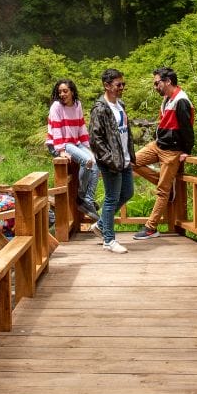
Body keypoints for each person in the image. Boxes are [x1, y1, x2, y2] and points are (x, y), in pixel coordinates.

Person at [132, 66, 195, 241]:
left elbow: (187, 128)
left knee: (161, 191)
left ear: (167, 81)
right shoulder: (168, 98)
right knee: (131, 161)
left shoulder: (181, 100)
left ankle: (151, 227)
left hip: (172, 151)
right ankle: (168, 187)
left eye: (157, 83)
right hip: (158, 145)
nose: (155, 87)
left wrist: (186, 151)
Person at [87, 68, 134, 254]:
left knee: (128, 192)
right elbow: (95, 139)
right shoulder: (100, 109)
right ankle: (109, 240)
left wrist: (130, 155)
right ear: (107, 86)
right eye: (118, 85)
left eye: (123, 84)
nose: (122, 87)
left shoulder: (120, 104)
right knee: (111, 198)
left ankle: (100, 225)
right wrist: (110, 160)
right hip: (111, 162)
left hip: (124, 159)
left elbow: (125, 133)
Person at [45, 78, 100, 220]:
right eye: (60, 92)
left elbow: (81, 127)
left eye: (65, 91)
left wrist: (88, 148)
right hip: (59, 143)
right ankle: (81, 197)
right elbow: (56, 129)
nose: (62, 94)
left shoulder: (77, 105)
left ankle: (88, 199)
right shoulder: (56, 106)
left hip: (74, 142)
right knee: (87, 160)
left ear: (72, 91)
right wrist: (61, 150)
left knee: (95, 162)